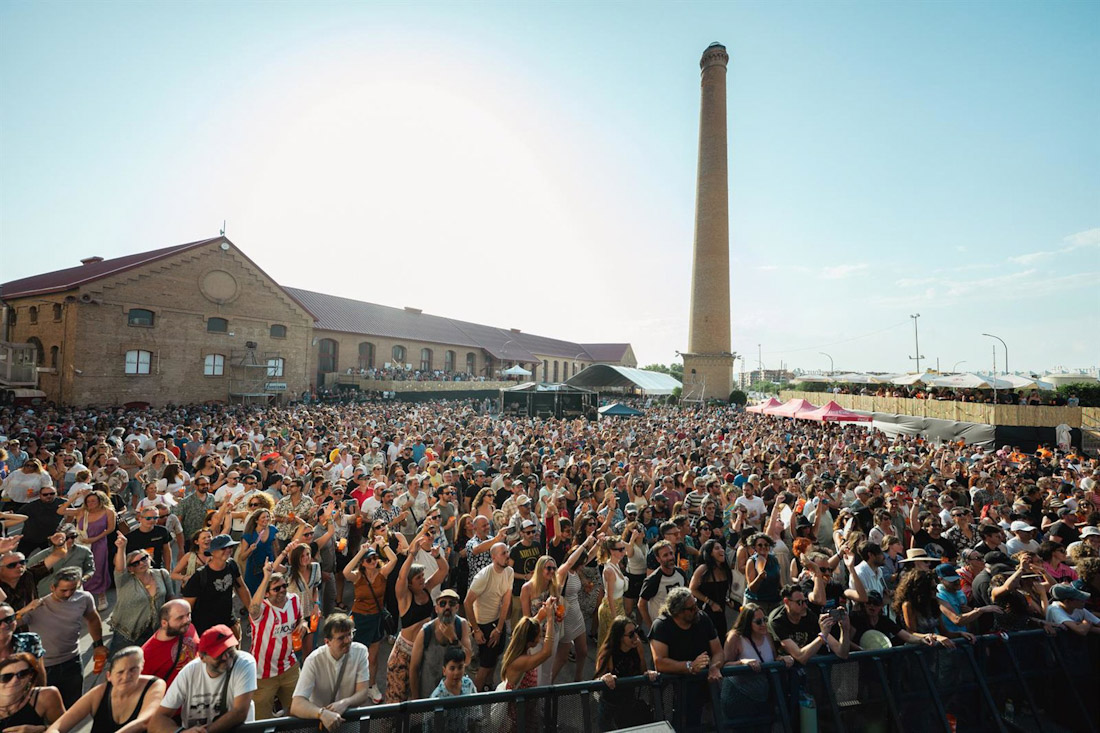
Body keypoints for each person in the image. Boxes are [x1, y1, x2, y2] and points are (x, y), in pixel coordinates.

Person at [20, 567, 106, 707]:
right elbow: (9, 624)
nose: (68, 594)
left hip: (73, 663)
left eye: (72, 589)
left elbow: (93, 619)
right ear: (52, 587)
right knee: (45, 709)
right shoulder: (37, 607)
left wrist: (98, 645)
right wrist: (22, 611)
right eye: (63, 590)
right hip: (44, 667)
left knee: (73, 707)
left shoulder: (84, 598)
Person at [149, 624, 257, 733]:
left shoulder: (244, 663)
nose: (226, 657)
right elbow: (158, 719)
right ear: (202, 657)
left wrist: (205, 731)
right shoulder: (189, 673)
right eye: (219, 654)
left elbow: (240, 712)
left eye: (229, 650)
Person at [386, 530, 447, 704]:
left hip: (424, 651)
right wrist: (412, 555)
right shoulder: (405, 597)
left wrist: (437, 556)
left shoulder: (427, 589)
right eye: (418, 578)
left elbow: (443, 570)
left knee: (421, 697)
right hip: (404, 654)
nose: (422, 580)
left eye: (422, 576)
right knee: (397, 700)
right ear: (410, 584)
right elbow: (401, 577)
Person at [648, 587, 722, 729]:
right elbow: (660, 662)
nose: (696, 610)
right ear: (677, 612)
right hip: (671, 693)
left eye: (695, 604)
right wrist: (689, 666)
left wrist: (714, 667)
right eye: (691, 608)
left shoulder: (703, 619)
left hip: (699, 691)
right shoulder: (661, 626)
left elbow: (718, 651)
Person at [44, 646, 165, 733]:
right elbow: (58, 725)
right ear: (109, 676)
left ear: (141, 668)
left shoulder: (154, 685)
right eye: (120, 672)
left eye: (133, 669)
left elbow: (145, 721)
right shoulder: (98, 693)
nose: (126, 676)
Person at [290, 613, 371, 731]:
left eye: (350, 634)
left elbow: (363, 692)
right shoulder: (314, 660)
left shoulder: (360, 652)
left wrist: (345, 703)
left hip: (349, 723)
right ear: (327, 642)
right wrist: (321, 713)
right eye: (341, 638)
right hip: (319, 724)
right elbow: (296, 705)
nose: (348, 640)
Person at [343, 534, 397, 704]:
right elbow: (345, 572)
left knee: (372, 657)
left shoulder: (382, 573)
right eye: (369, 560)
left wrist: (383, 544)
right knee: (355, 654)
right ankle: (352, 685)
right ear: (363, 564)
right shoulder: (358, 577)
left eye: (374, 558)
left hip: (376, 619)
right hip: (359, 619)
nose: (373, 561)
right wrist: (361, 553)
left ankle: (371, 685)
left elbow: (393, 559)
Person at [248, 563, 305, 719]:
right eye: (276, 588)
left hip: (289, 666)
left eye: (284, 586)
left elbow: (301, 619)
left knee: (299, 709)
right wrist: (266, 577)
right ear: (266, 594)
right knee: (261, 719)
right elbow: (253, 608)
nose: (282, 590)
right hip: (263, 673)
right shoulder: (261, 610)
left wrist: (302, 625)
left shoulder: (294, 600)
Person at [721, 603, 793, 726]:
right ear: (748, 623)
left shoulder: (767, 635)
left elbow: (772, 658)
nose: (763, 625)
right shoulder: (735, 637)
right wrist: (742, 662)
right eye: (758, 622)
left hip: (764, 696)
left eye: (764, 620)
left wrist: (782, 658)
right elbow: (724, 665)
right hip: (740, 696)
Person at [464, 542, 514, 692]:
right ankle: (475, 701)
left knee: (495, 658)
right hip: (484, 624)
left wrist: (499, 628)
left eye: (507, 552)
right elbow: (467, 603)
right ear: (493, 557)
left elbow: (506, 602)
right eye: (503, 553)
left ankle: (488, 686)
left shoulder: (509, 572)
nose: (507, 556)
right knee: (485, 666)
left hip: (498, 622)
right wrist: (476, 630)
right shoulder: (483, 576)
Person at [594, 615, 657, 730]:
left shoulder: (637, 647)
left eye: (636, 631)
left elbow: (642, 671)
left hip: (629, 703)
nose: (636, 637)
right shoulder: (608, 654)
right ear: (619, 637)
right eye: (631, 634)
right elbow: (596, 683)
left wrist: (648, 674)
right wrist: (604, 678)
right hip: (610, 707)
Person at [181, 534, 252, 635]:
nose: (228, 550)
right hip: (205, 629)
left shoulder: (231, 565)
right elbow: (186, 606)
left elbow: (241, 588)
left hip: (228, 623)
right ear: (212, 552)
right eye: (223, 548)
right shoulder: (199, 577)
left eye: (230, 547)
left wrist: (252, 611)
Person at [110, 535, 171, 652]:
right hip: (127, 633)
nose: (142, 563)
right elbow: (119, 569)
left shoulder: (162, 574)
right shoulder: (124, 580)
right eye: (135, 563)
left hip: (155, 631)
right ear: (130, 569)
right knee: (123, 666)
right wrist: (121, 548)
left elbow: (170, 597)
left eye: (144, 558)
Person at [408, 589, 472, 701]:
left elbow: (467, 660)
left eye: (451, 603)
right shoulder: (425, 632)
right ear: (436, 609)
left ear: (457, 608)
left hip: (454, 695)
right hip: (428, 695)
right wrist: (416, 700)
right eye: (443, 603)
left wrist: (454, 639)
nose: (447, 607)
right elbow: (414, 668)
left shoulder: (461, 625)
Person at [499, 611, 557, 733]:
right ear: (530, 641)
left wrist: (544, 611)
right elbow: (547, 652)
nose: (540, 637)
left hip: (527, 709)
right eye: (538, 635)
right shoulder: (519, 662)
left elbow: (527, 626)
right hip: (518, 715)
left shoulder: (520, 644)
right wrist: (550, 619)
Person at [768, 584, 850, 665]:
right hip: (783, 668)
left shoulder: (809, 616)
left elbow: (842, 653)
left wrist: (845, 629)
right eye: (799, 602)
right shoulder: (777, 621)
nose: (805, 606)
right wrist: (823, 635)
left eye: (805, 601)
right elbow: (800, 657)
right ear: (787, 602)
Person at [60, 489, 114, 611]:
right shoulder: (81, 511)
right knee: (80, 569)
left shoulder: (108, 512)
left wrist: (95, 538)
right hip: (80, 543)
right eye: (88, 501)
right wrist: (75, 497)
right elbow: (60, 511)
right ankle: (82, 596)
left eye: (93, 501)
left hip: (99, 543)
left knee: (98, 569)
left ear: (100, 501)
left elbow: (110, 528)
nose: (90, 503)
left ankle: (101, 595)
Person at [421, 645, 480, 733]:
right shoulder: (437, 696)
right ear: (444, 671)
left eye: (460, 667)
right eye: (452, 668)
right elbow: (428, 727)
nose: (456, 673)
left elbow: (477, 714)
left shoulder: (468, 684)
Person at [141, 599, 199, 687]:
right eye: (180, 618)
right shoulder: (146, 654)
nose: (186, 620)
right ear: (164, 623)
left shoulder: (189, 628)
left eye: (188, 615)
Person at [0, 652, 64, 731]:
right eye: (6, 677)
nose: (14, 680)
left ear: (31, 676)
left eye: (22, 674)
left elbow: (65, 727)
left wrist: (40, 729)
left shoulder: (46, 696)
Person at [27, 525, 95, 597]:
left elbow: (90, 570)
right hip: (48, 596)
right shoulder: (43, 555)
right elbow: (27, 572)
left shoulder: (84, 551)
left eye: (73, 537)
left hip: (74, 595)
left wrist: (82, 579)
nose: (70, 540)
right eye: (66, 538)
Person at [638, 540, 690, 633]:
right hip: (663, 629)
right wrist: (652, 628)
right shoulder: (653, 580)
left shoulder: (680, 573)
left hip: (681, 624)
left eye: (671, 553)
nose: (670, 557)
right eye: (665, 555)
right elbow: (641, 605)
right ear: (658, 559)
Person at [690, 538, 733, 640]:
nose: (722, 550)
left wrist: (727, 600)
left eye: (722, 548)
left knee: (722, 639)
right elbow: (692, 590)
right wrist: (710, 602)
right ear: (710, 553)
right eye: (717, 548)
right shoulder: (703, 569)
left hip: (721, 612)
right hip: (705, 612)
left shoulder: (725, 569)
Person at [237, 507, 277, 594]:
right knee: (254, 595)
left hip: (269, 567)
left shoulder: (272, 530)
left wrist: (276, 563)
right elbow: (242, 557)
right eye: (263, 517)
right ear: (256, 520)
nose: (266, 519)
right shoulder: (248, 535)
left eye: (267, 517)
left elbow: (276, 549)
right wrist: (250, 550)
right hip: (254, 570)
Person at [597, 537, 627, 650]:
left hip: (619, 606)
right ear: (611, 551)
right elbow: (610, 597)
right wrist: (615, 618)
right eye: (620, 549)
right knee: (610, 644)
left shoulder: (616, 564)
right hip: (610, 608)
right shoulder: (609, 570)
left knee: (618, 643)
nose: (623, 552)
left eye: (623, 548)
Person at [126, 508, 173, 572]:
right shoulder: (130, 537)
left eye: (155, 518)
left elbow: (167, 550)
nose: (152, 520)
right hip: (138, 571)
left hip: (157, 569)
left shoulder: (162, 531)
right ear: (140, 519)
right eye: (148, 518)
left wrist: (168, 569)